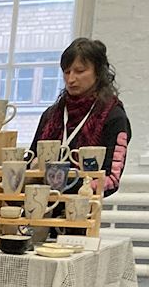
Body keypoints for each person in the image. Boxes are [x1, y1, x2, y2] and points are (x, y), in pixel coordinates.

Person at [29, 38, 131, 197]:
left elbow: (112, 179)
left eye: (80, 71)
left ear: (98, 72)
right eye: (67, 72)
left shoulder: (114, 117)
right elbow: (30, 162)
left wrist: (64, 186)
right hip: (41, 204)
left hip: (82, 207)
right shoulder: (51, 115)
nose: (71, 79)